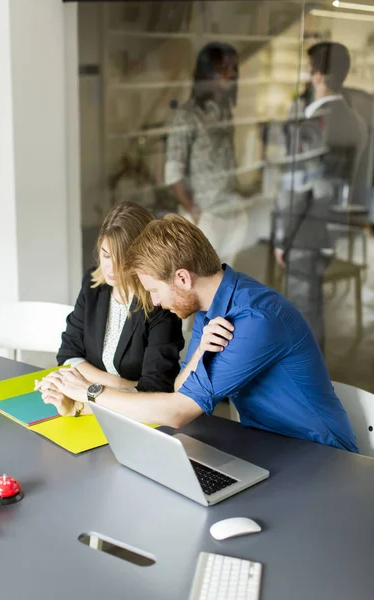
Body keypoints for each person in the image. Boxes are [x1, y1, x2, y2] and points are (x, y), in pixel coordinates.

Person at [38, 215, 358, 453]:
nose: (153, 302)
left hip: (323, 457)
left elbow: (178, 412)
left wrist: (90, 392)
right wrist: (201, 352)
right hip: (269, 448)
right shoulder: (210, 309)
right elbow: (180, 386)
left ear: (182, 278)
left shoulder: (253, 320)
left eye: (154, 290)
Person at [37, 202, 184, 412]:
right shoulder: (93, 285)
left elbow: (155, 390)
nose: (111, 267)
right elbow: (68, 354)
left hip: (140, 418)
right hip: (94, 407)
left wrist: (88, 389)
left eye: (122, 258)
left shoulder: (160, 303)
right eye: (106, 255)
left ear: (142, 257)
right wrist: (117, 386)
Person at [273, 42, 367, 350]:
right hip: (332, 231)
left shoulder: (313, 124)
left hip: (303, 232)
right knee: (312, 315)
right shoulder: (355, 121)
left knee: (301, 318)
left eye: (307, 68)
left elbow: (296, 190)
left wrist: (281, 240)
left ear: (317, 75)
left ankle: (305, 387)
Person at [164, 41, 248, 266]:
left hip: (232, 211)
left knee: (226, 284)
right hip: (206, 216)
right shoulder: (187, 116)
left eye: (233, 68)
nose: (230, 75)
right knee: (201, 286)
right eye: (224, 68)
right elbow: (173, 172)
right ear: (207, 73)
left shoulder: (224, 111)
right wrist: (195, 214)